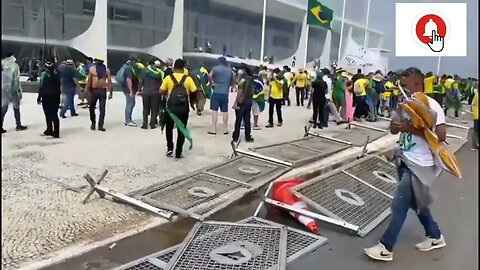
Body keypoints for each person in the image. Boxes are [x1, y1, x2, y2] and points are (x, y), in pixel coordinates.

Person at [364, 67, 447, 262]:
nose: (408, 89)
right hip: (403, 159)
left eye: (411, 85)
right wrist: (397, 122)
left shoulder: (432, 106)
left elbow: (440, 136)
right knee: (415, 203)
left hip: (420, 165)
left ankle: (386, 247)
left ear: (419, 84)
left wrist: (412, 128)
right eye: (405, 85)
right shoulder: (405, 105)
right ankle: (435, 236)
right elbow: (394, 130)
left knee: (399, 204)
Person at [160, 59, 197, 159]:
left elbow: (161, 90)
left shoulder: (168, 78)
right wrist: (192, 102)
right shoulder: (188, 79)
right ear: (183, 68)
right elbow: (194, 91)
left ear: (173, 67)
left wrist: (168, 94)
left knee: (169, 128)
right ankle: (178, 152)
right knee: (181, 129)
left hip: (171, 108)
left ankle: (170, 148)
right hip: (183, 108)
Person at [1, 52, 27, 133]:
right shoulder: (14, 66)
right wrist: (18, 90)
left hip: (3, 88)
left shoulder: (1, 64)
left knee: (3, 107)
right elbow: (16, 79)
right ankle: (18, 125)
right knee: (16, 107)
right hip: (12, 89)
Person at [208, 56, 234, 135]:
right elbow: (233, 81)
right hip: (225, 93)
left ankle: (213, 129)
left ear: (219, 62)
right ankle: (225, 129)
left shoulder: (215, 68)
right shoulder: (230, 71)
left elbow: (209, 75)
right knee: (225, 111)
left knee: (214, 111)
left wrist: (211, 83)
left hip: (216, 91)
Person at [37, 57, 61, 138]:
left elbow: (41, 85)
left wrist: (39, 96)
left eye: (49, 63)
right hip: (53, 95)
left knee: (51, 113)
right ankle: (51, 130)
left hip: (48, 95)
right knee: (51, 114)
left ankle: (52, 130)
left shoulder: (48, 73)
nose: (48, 65)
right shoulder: (57, 72)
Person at [87, 57, 113, 131]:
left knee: (100, 109)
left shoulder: (105, 70)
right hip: (97, 91)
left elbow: (109, 81)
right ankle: (94, 123)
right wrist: (88, 91)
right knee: (94, 108)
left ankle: (98, 125)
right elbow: (89, 81)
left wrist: (111, 92)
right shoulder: (93, 69)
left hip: (100, 90)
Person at [232, 63, 254, 143]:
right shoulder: (251, 78)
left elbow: (240, 91)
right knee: (247, 120)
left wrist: (235, 102)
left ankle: (235, 137)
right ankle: (248, 137)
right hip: (249, 102)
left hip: (241, 102)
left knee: (238, 120)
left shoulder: (243, 80)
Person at [140, 59, 163, 129]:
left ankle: (145, 125)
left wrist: (139, 89)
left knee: (145, 109)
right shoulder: (159, 72)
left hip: (146, 92)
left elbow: (141, 81)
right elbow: (161, 82)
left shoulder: (144, 71)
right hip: (156, 92)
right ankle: (152, 124)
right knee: (154, 109)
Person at [120, 56, 141, 127]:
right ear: (134, 61)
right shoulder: (130, 69)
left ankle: (128, 119)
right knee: (130, 103)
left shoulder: (126, 66)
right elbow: (128, 80)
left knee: (131, 103)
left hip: (126, 88)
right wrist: (131, 90)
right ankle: (128, 120)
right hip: (128, 89)